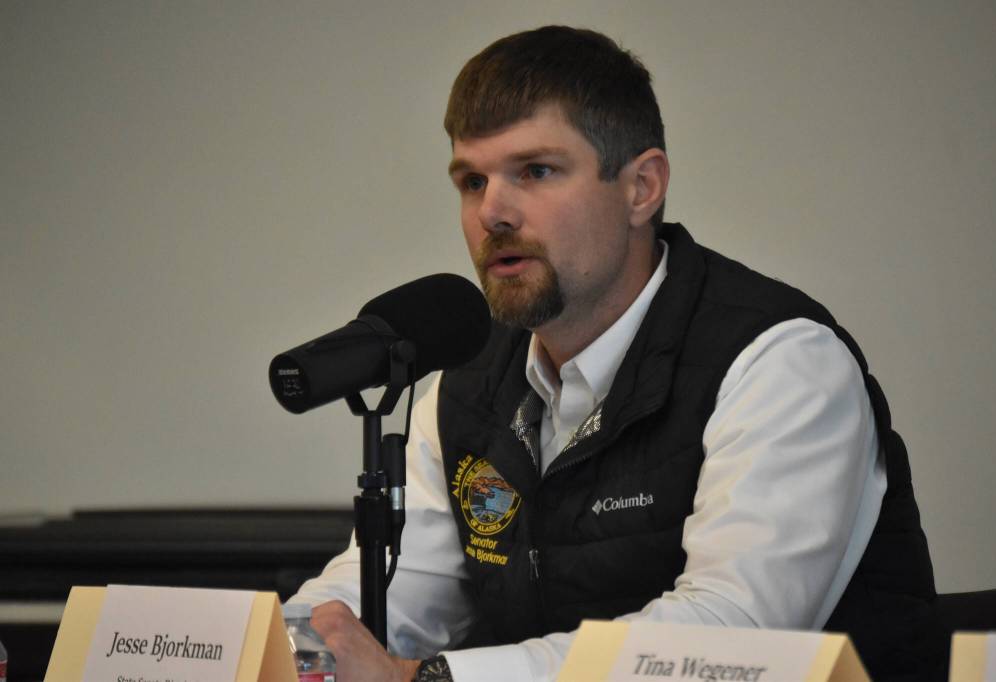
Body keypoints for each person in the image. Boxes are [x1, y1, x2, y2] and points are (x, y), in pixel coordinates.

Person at [290, 26, 946, 682]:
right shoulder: (463, 388)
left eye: (535, 171)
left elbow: (728, 635)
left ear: (641, 188)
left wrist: (425, 680)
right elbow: (388, 599)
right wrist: (298, 649)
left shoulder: (779, 361)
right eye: (471, 180)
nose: (492, 211)